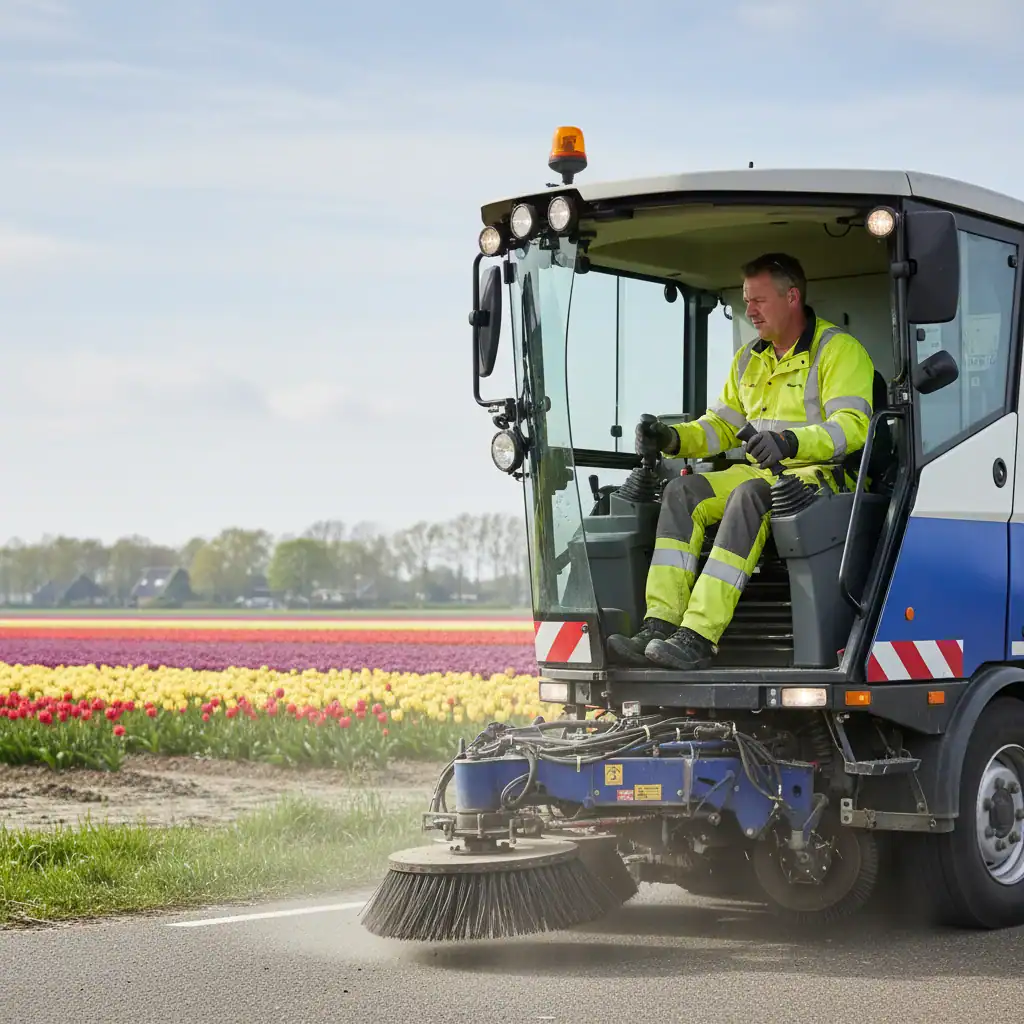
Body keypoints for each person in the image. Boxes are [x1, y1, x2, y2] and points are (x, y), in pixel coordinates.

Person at [606, 252, 875, 671]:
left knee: (750, 495)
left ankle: (697, 636)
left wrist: (789, 442)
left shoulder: (840, 351)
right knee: (681, 491)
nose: (749, 310)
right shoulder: (749, 357)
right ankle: (659, 625)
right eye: (746, 300)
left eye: (758, 300)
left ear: (792, 298)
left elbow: (852, 428)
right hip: (762, 471)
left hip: (823, 477)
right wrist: (672, 438)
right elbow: (720, 427)